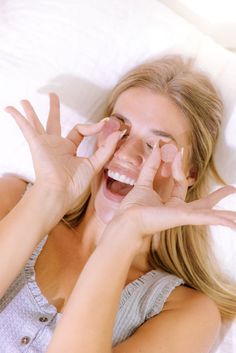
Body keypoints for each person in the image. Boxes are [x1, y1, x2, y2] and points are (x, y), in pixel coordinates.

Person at [0, 55, 235, 353]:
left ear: (188, 174)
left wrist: (124, 235)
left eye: (156, 145)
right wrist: (48, 194)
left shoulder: (189, 313)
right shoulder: (13, 200)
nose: (126, 154)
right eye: (120, 129)